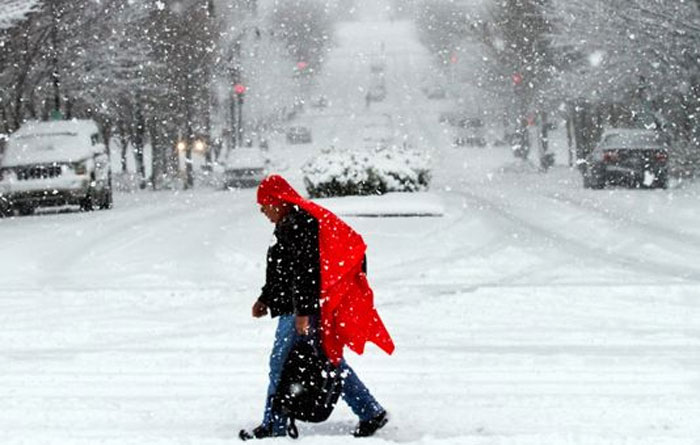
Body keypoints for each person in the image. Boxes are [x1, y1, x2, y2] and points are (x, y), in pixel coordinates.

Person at [239, 175, 395, 440]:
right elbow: (281, 272)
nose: (263, 211)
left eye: (264, 204)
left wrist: (303, 313)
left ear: (277, 201)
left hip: (301, 310)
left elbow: (306, 273)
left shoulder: (300, 223)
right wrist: (265, 298)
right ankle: (370, 411)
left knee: (281, 362)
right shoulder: (287, 224)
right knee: (327, 361)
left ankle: (274, 424)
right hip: (299, 307)